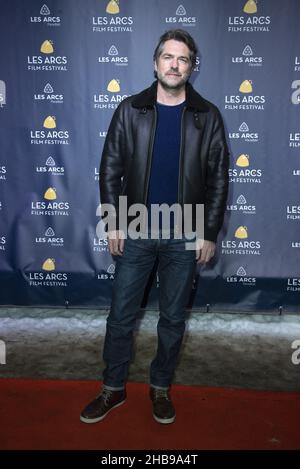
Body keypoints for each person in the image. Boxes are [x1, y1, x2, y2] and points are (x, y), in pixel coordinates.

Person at [80, 29, 229, 425]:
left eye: (182, 59)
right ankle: (112, 389)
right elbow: (110, 168)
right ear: (155, 62)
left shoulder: (207, 116)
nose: (174, 64)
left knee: (174, 319)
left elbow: (218, 180)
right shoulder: (130, 110)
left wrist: (208, 231)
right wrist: (113, 222)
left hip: (185, 230)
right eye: (168, 57)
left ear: (192, 67)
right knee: (121, 316)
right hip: (136, 227)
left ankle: (160, 388)